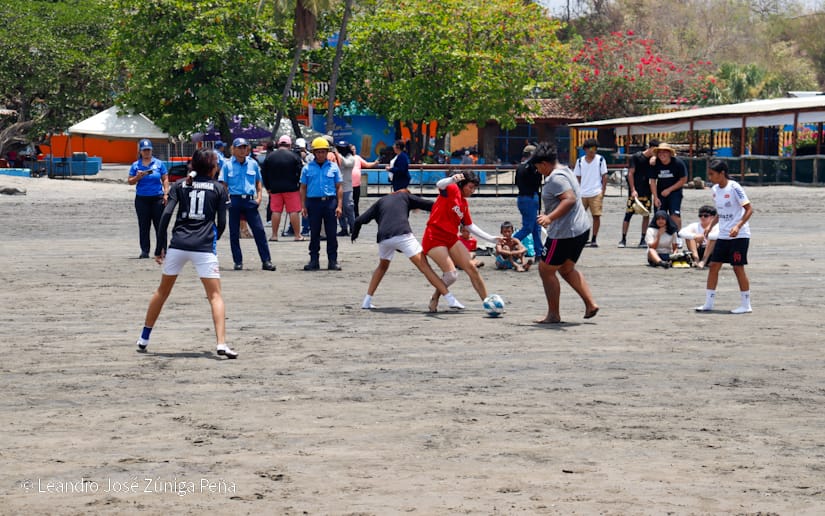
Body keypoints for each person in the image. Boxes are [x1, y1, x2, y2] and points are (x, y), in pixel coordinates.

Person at [135, 148, 237, 358]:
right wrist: (213, 238)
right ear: (212, 167)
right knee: (215, 296)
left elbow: (165, 216)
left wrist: (159, 246)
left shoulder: (181, 185)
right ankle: (221, 343)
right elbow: (223, 222)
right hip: (204, 247)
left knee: (162, 292)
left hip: (178, 244)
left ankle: (144, 337)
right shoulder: (219, 188)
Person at [352, 191, 465, 311]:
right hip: (402, 234)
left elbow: (359, 220)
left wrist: (354, 234)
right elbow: (429, 204)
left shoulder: (381, 201)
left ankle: (367, 301)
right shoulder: (404, 196)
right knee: (425, 267)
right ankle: (450, 299)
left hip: (383, 238)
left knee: (382, 266)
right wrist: (452, 212)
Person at [528, 142, 599, 324]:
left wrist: (549, 217)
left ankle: (553, 314)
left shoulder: (555, 178)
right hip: (581, 228)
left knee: (545, 270)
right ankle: (591, 304)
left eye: (538, 167)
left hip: (564, 233)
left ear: (544, 163)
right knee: (566, 269)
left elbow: (569, 199)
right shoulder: (567, 170)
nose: (538, 171)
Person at [421, 171, 499, 312]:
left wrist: (491, 238)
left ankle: (488, 303)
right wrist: (451, 179)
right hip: (434, 236)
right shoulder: (452, 189)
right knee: (451, 275)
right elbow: (439, 184)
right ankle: (436, 297)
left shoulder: (464, 204)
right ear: (462, 185)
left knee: (472, 268)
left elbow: (469, 225)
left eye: (475, 188)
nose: (472, 191)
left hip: (451, 238)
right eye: (470, 187)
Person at [696, 160, 754, 314]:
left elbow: (749, 209)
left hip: (739, 236)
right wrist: (710, 225)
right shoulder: (715, 189)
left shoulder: (734, 187)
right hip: (723, 235)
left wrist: (738, 226)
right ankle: (708, 302)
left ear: (722, 173)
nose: (710, 177)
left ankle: (746, 304)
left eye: (712, 174)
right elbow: (720, 212)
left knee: (737, 267)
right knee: (714, 265)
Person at [218, 137, 276, 271]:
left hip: (249, 200)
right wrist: (227, 200)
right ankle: (238, 261)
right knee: (234, 233)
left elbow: (258, 181)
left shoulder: (253, 164)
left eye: (245, 147)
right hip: (235, 200)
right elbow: (223, 184)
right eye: (240, 147)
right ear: (234, 149)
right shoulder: (227, 165)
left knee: (259, 231)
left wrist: (259, 197)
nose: (243, 150)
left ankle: (266, 261)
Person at [300, 137, 343, 270]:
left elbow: (339, 187)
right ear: (313, 153)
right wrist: (303, 206)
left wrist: (339, 205)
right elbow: (302, 188)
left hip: (330, 202)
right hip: (313, 203)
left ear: (327, 152)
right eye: (318, 152)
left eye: (323, 151)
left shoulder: (334, 167)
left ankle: (333, 261)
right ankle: (314, 260)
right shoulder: (307, 168)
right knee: (314, 233)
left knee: (331, 233)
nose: (321, 154)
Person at [127, 139, 169, 259]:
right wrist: (137, 177)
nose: (146, 152)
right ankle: (145, 250)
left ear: (151, 150)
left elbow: (165, 179)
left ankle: (162, 249)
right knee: (144, 225)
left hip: (157, 198)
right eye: (144, 150)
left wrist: (166, 194)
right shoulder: (136, 165)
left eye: (148, 150)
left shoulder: (159, 164)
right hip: (142, 199)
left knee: (160, 225)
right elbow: (130, 181)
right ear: (140, 151)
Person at [262, 135, 304, 242]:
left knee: (276, 211)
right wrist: (299, 186)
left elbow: (264, 173)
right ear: (289, 145)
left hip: (275, 189)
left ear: (278, 144)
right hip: (292, 188)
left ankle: (274, 235)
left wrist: (268, 187)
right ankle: (297, 235)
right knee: (293, 211)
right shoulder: (294, 156)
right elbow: (300, 172)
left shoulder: (270, 156)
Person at [619, 138, 658, 248]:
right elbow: (631, 173)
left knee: (646, 214)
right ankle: (623, 238)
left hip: (647, 190)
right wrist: (633, 189)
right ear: (650, 147)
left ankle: (642, 239)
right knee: (628, 214)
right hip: (636, 189)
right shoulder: (636, 157)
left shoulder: (654, 159)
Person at [573, 138, 608, 247]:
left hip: (596, 192)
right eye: (590, 148)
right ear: (585, 149)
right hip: (582, 193)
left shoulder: (600, 160)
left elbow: (604, 176)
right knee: (580, 217)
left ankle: (594, 239)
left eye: (594, 148)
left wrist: (603, 191)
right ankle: (581, 237)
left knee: (596, 216)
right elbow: (577, 177)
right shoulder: (580, 161)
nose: (592, 151)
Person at [649, 142, 688, 236]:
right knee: (660, 215)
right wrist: (655, 197)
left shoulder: (678, 163)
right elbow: (653, 181)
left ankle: (677, 235)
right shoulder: (656, 164)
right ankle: (661, 236)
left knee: (675, 214)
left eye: (665, 152)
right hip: (660, 193)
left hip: (675, 192)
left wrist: (669, 190)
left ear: (670, 153)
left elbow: (683, 180)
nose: (662, 154)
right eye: (660, 152)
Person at [513, 144, 544, 258]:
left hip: (522, 197)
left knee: (536, 227)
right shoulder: (533, 167)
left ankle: (539, 252)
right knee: (529, 228)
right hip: (530, 197)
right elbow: (537, 183)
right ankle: (510, 242)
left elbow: (517, 182)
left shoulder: (520, 167)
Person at [334, 141, 357, 236]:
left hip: (347, 188)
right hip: (337, 186)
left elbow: (347, 163)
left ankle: (353, 227)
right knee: (339, 209)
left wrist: (337, 154)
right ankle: (343, 228)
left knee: (349, 208)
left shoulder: (351, 158)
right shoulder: (336, 158)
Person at [351, 143, 378, 218]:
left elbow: (366, 164)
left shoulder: (357, 157)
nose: (354, 150)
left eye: (354, 149)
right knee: (347, 203)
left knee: (356, 202)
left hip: (356, 185)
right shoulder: (345, 158)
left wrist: (375, 163)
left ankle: (356, 217)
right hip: (348, 185)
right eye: (352, 149)